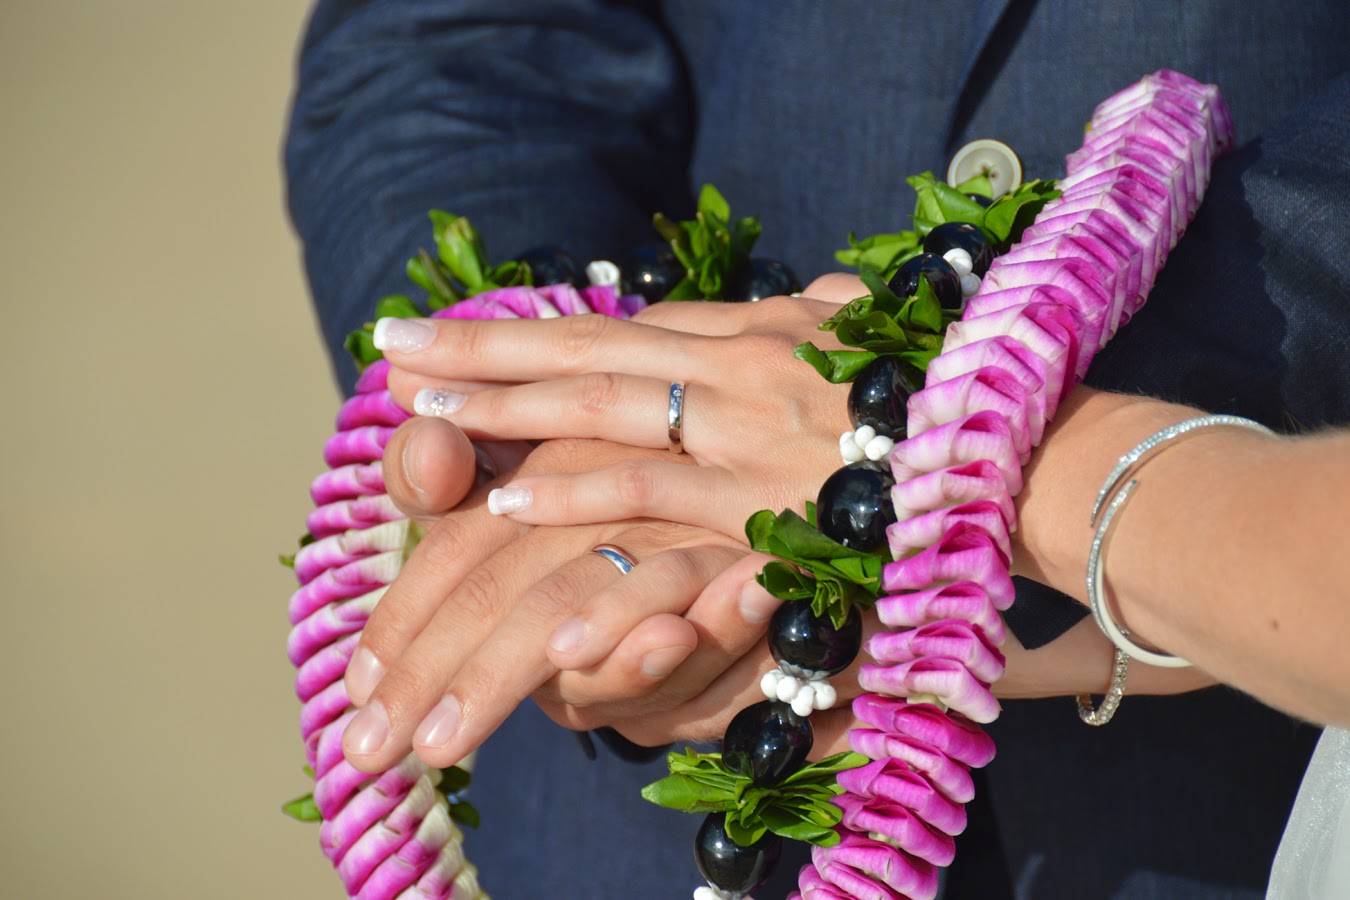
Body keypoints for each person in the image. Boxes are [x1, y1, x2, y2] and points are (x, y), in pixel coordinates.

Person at [285, 1, 1350, 895]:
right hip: (617, 804)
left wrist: (962, 426)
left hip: (1236, 780)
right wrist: (553, 425)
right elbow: (455, 47)